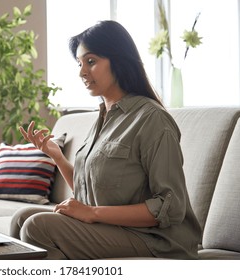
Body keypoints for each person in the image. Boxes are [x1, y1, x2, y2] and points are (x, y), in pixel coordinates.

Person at [15, 20, 202, 259]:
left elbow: (171, 205)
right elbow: (89, 192)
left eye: (91, 62)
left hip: (157, 240)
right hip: (114, 229)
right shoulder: (102, 118)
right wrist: (57, 157)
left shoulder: (152, 119)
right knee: (21, 219)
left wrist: (92, 213)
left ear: (119, 60)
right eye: (80, 64)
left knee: (36, 227)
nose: (82, 72)